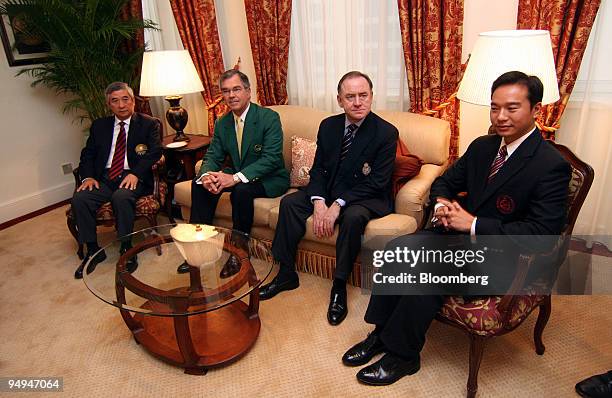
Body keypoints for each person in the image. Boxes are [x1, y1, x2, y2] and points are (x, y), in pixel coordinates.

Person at [342, 71, 572, 385]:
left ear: (536, 110)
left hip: (504, 257)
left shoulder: (550, 165)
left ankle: (404, 355)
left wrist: (474, 223)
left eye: (512, 107)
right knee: (395, 250)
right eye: (495, 107)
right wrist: (441, 206)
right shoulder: (483, 147)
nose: (501, 116)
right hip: (458, 237)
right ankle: (381, 334)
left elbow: (541, 235)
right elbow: (445, 182)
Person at [259, 71, 399, 326]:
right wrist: (319, 200)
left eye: (363, 95)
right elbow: (320, 169)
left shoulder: (386, 133)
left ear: (371, 97)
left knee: (354, 218)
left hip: (366, 195)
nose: (358, 102)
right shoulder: (329, 126)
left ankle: (339, 286)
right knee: (289, 204)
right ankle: (286, 272)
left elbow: (377, 181)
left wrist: (338, 205)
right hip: (330, 190)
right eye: (350, 96)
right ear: (339, 100)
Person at [184, 69, 289, 277]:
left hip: (271, 178)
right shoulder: (223, 123)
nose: (231, 95)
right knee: (199, 183)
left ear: (248, 92)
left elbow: (271, 159)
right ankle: (199, 248)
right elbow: (213, 155)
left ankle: (239, 253)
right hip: (240, 174)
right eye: (226, 91)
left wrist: (233, 178)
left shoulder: (269, 118)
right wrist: (206, 175)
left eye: (236, 89)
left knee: (241, 191)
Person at [72, 82, 162, 279]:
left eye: (125, 99)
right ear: (109, 105)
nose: (121, 105)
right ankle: (93, 250)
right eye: (115, 101)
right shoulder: (99, 126)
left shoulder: (148, 124)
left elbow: (154, 152)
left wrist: (135, 173)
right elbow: (88, 154)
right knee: (80, 198)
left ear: (133, 101)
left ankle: (126, 247)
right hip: (104, 178)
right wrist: (87, 177)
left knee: (121, 197)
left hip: (133, 177)